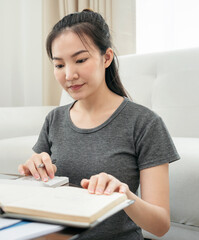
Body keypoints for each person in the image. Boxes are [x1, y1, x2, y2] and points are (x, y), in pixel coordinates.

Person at [18, 9, 180, 240]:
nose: (69, 74)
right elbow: (40, 196)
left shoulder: (145, 123)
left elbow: (160, 225)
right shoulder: (54, 119)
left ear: (106, 57)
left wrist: (124, 195)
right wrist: (32, 172)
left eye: (80, 60)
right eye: (59, 65)